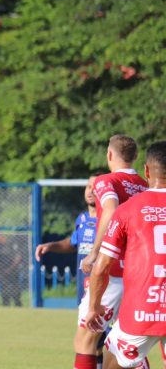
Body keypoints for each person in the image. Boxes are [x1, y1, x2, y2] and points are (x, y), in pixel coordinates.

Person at [83, 141, 166, 368]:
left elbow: (102, 266)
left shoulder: (128, 209)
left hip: (141, 311)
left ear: (147, 171)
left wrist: (94, 307)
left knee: (111, 358)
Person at [73, 135, 148, 369]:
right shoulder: (146, 185)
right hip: (139, 274)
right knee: (125, 345)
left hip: (113, 273)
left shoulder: (106, 180)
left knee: (86, 339)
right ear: (136, 157)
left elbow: (110, 207)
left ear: (109, 155)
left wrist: (95, 252)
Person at [35, 175, 98, 304]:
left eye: (96, 187)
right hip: (84, 286)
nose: (91, 191)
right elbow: (73, 243)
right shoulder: (82, 219)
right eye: (89, 186)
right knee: (84, 323)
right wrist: (50, 246)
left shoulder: (110, 220)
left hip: (103, 287)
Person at [0, 233, 23, 306]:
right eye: (0, 236)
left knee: (16, 289)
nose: (3, 237)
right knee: (4, 290)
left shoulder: (12, 244)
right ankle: (5, 304)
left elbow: (18, 257)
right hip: (2, 272)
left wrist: (10, 268)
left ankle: (18, 304)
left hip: (13, 271)